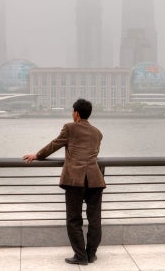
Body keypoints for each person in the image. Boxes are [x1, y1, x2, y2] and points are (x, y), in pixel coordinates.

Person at [22, 98, 105, 266]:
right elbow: (93, 153)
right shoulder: (97, 132)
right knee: (94, 219)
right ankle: (91, 254)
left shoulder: (70, 127)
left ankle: (80, 256)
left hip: (76, 180)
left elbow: (55, 144)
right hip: (95, 179)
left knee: (74, 220)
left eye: (72, 111)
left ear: (76, 113)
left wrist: (37, 155)